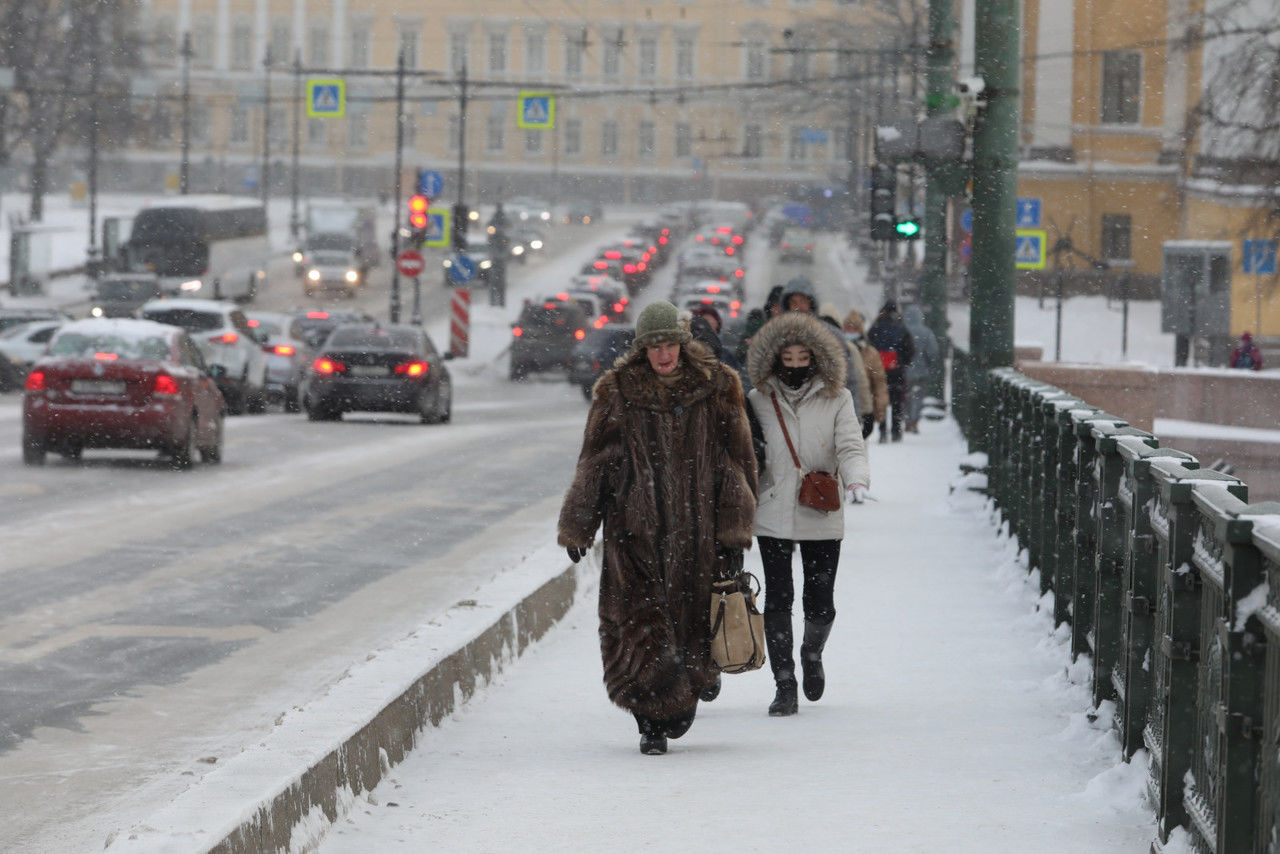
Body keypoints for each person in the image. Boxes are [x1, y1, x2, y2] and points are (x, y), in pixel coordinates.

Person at [558, 300, 758, 755]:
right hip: (634, 532)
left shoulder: (718, 387)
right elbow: (596, 462)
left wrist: (734, 528)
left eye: (669, 345)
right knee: (639, 625)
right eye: (654, 347)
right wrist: (579, 525)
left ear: (682, 344)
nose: (663, 355)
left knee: (690, 624)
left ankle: (685, 693)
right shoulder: (617, 392)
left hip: (699, 531)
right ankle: (649, 719)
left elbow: (738, 463)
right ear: (642, 349)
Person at [745, 312, 870, 717]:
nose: (796, 365)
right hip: (773, 511)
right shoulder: (757, 399)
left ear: (816, 357)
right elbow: (745, 454)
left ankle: (811, 652)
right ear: (774, 358)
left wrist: (856, 479)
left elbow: (850, 444)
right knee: (778, 599)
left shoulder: (838, 397)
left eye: (803, 357)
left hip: (820, 508)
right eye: (788, 357)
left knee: (820, 602)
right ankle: (784, 682)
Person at [867, 301, 915, 442]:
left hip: (879, 370)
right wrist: (902, 362)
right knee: (896, 401)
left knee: (881, 400)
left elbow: (868, 344)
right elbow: (910, 349)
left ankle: (882, 431)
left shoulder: (876, 326)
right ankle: (896, 431)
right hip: (897, 371)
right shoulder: (901, 327)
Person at [843, 308, 889, 439]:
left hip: (863, 408)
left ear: (860, 331)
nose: (851, 332)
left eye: (854, 329)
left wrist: (879, 409)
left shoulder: (870, 352)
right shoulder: (837, 350)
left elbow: (879, 382)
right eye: (848, 328)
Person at [901, 304, 940, 432]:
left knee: (906, 397)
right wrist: (927, 363)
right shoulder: (926, 332)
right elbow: (933, 352)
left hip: (905, 371)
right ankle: (914, 420)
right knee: (918, 397)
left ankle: (907, 420)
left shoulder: (902, 330)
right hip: (921, 371)